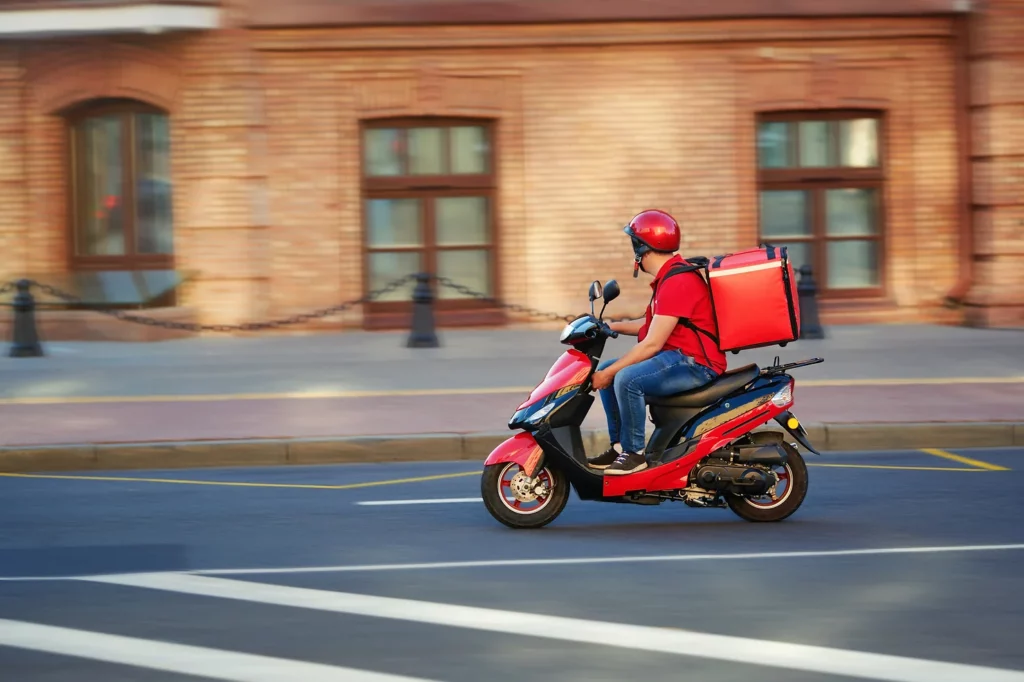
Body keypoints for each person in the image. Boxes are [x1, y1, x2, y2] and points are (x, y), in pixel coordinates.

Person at [587, 209, 728, 475]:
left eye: (634, 244)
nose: (633, 251)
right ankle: (620, 449)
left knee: (625, 378)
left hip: (695, 363)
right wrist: (609, 327)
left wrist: (608, 373)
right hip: (678, 356)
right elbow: (651, 326)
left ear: (642, 247)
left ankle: (634, 454)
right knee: (610, 368)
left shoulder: (678, 281)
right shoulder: (669, 278)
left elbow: (652, 343)